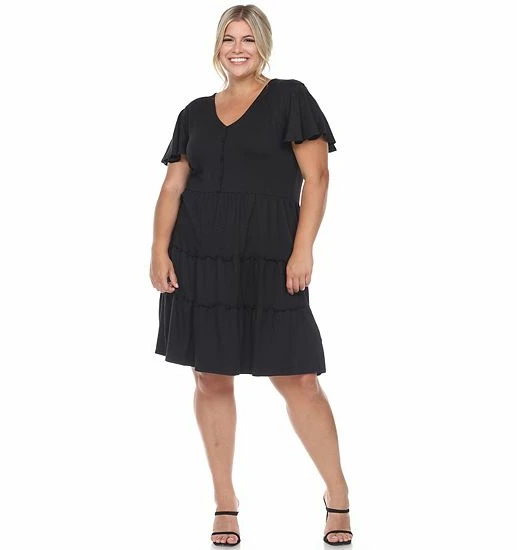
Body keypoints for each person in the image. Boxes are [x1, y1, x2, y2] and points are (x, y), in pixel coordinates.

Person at [149, 4, 353, 546]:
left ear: (263, 44)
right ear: (217, 47)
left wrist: (302, 250)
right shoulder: (194, 112)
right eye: (228, 39)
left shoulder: (290, 97)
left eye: (247, 39)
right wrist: (158, 250)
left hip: (269, 257)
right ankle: (225, 501)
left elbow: (318, 178)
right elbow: (172, 186)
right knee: (210, 377)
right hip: (200, 256)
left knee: (299, 379)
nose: (237, 48)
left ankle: (337, 492)